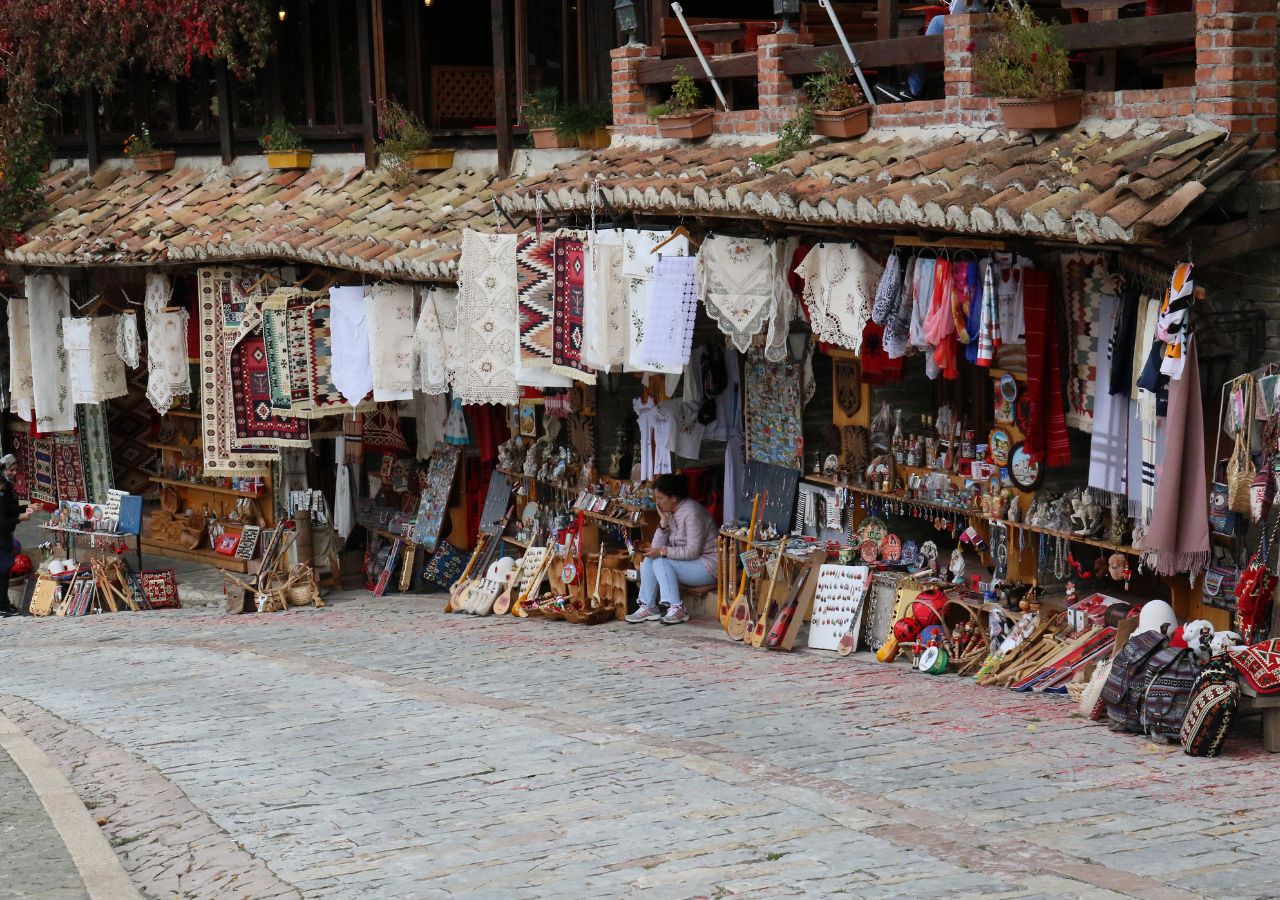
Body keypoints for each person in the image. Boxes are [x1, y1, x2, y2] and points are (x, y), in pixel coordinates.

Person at [625, 473, 717, 626]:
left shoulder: (691, 512)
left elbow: (693, 551)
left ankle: (677, 607)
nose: (657, 502)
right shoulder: (670, 513)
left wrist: (663, 552)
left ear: (674, 498)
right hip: (690, 563)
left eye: (660, 498)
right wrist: (663, 523)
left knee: (661, 561)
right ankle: (649, 606)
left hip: (708, 566)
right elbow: (655, 549)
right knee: (650, 559)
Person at [0, 453, 33, 617]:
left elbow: (10, 510)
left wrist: (28, 507)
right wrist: (19, 518)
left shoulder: (7, 486)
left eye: (15, 470)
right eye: (11, 469)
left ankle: (4, 603)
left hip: (5, 537)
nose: (14, 473)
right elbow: (2, 521)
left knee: (4, 572)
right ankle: (2, 606)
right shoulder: (2, 489)